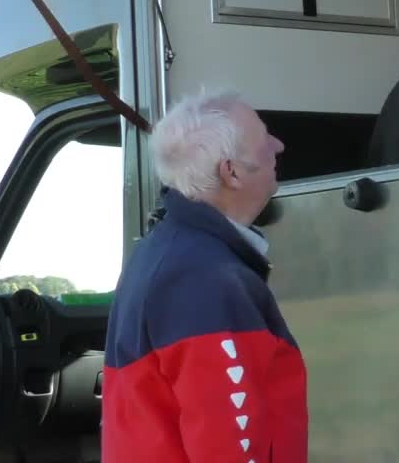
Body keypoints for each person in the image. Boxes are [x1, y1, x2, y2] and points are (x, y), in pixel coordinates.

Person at [101, 90, 306, 462]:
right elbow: (226, 442)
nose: (278, 145)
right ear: (232, 171)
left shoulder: (167, 253)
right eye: (262, 139)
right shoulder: (203, 278)